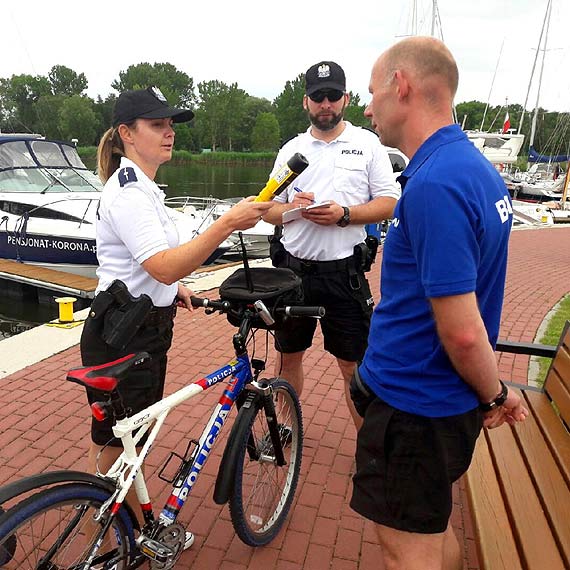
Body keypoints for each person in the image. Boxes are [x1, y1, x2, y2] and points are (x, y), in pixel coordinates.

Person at [349, 37, 529, 570]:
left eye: (372, 90)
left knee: (407, 549)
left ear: (401, 86)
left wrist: (495, 395)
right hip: (435, 403)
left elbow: (464, 331)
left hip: (416, 408)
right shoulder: (472, 168)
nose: (367, 105)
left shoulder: (435, 184)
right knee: (432, 528)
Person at [80, 86, 272, 549]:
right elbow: (162, 262)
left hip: (135, 324)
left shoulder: (144, 187)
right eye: (157, 125)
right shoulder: (128, 193)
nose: (169, 133)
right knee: (120, 445)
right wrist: (226, 223)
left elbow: (149, 264)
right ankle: (114, 540)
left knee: (122, 443)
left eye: (170, 124)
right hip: (127, 335)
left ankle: (119, 536)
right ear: (126, 133)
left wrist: (174, 288)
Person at [263, 61, 400, 429]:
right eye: (318, 96)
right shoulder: (291, 149)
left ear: (346, 99)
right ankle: (285, 430)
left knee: (352, 366)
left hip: (344, 275)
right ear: (306, 102)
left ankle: (367, 448)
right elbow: (267, 210)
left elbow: (390, 202)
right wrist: (292, 209)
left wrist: (345, 214)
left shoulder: (367, 144)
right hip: (294, 274)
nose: (326, 104)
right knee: (288, 359)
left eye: (333, 96)